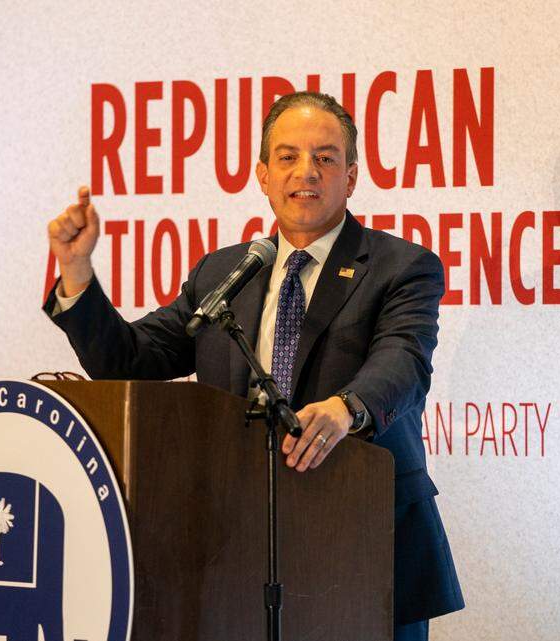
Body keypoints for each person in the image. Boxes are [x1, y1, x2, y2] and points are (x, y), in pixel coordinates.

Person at [44, 91, 463, 640]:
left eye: (325, 157)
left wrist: (345, 408)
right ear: (263, 175)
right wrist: (77, 272)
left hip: (365, 549)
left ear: (352, 176)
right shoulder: (225, 273)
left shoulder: (401, 267)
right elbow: (130, 359)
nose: (305, 172)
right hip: (237, 555)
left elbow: (403, 360)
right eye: (287, 157)